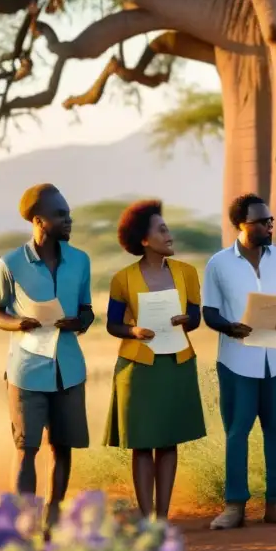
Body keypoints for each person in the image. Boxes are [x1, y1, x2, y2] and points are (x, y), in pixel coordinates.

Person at [0, 184, 93, 529]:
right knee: (26, 447)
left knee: (62, 447)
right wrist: (17, 323)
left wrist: (81, 321)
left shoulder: (80, 260)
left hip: (69, 369)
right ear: (38, 220)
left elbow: (88, 309)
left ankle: (54, 515)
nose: (68, 219)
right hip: (27, 370)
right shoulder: (10, 264)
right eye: (61, 214)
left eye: (68, 213)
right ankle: (23, 523)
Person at [202, 194, 276, 529]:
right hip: (237, 359)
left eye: (270, 220)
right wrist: (229, 327)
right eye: (262, 221)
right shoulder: (218, 263)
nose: (269, 226)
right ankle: (234, 507)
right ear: (242, 225)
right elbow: (209, 312)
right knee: (237, 431)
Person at [103, 200, 206, 520]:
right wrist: (133, 331)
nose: (169, 235)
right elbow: (112, 324)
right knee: (142, 444)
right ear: (144, 240)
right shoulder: (122, 279)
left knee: (168, 441)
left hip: (176, 363)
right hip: (139, 368)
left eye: (168, 228)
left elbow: (196, 316)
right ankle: (148, 518)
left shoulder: (187, 273)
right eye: (162, 230)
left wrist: (184, 321)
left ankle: (162, 516)